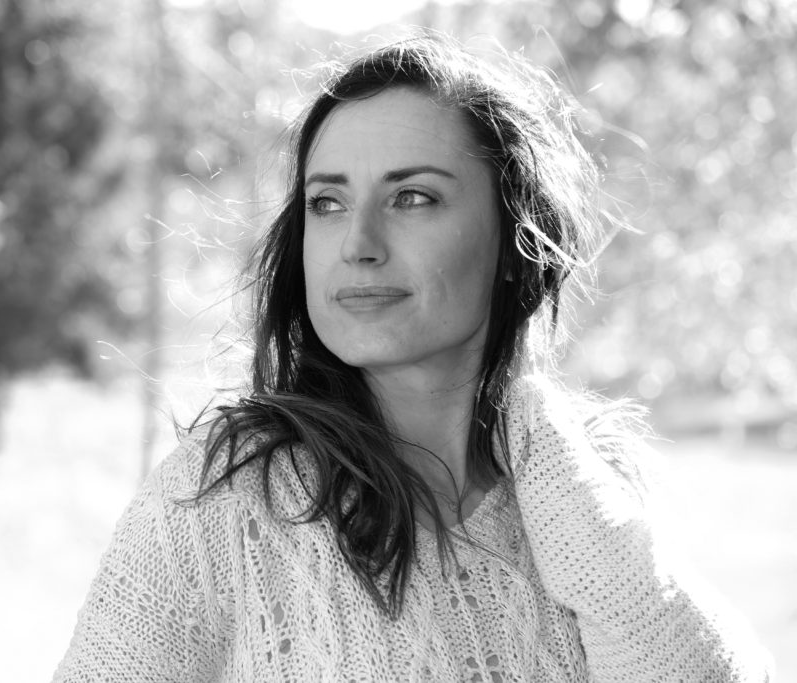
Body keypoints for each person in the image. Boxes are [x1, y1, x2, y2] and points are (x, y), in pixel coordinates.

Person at [52, 36, 773, 682]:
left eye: (413, 197)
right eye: (327, 204)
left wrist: (551, 446)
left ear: (513, 235)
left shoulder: (587, 485)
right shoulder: (225, 504)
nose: (357, 242)